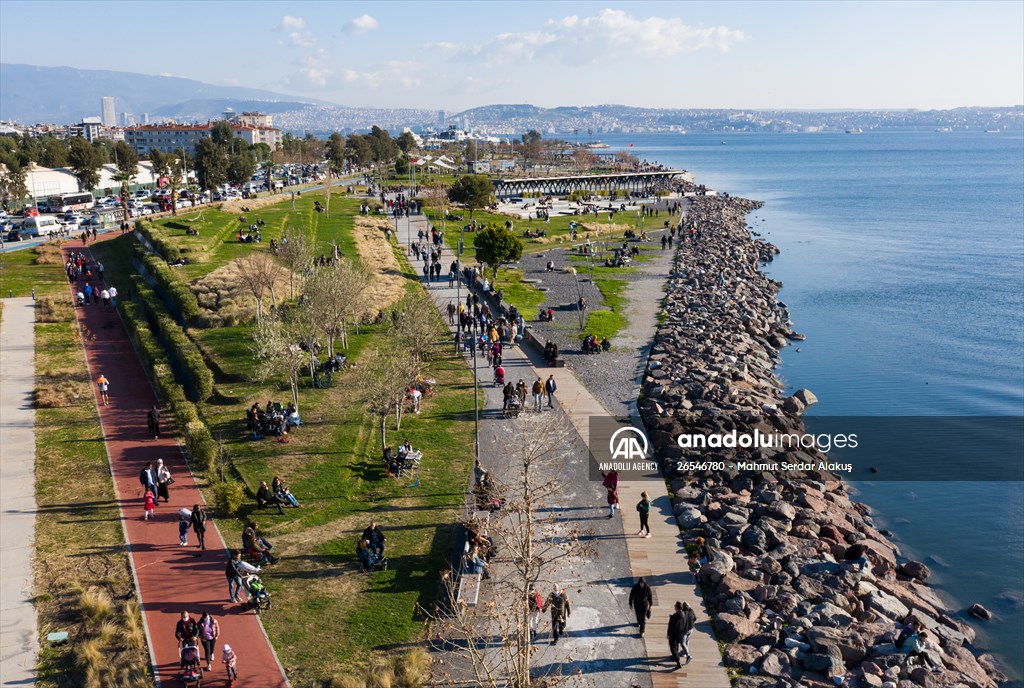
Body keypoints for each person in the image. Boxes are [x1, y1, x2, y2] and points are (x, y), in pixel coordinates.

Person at [668, 601, 696, 668]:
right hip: (691, 629)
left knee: (682, 643)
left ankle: (687, 655)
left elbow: (674, 625)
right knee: (687, 641)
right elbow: (694, 618)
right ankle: (684, 652)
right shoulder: (691, 610)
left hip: (684, 631)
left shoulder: (683, 613)